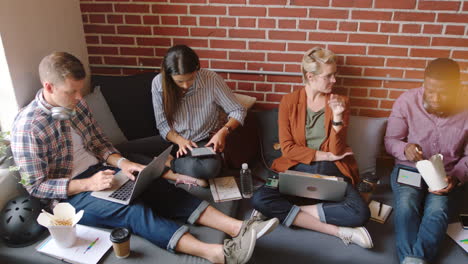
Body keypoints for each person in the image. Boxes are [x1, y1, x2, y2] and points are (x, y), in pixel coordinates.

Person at [11, 52, 278, 264]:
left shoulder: (77, 105)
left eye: (81, 90)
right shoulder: (28, 127)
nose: (80, 98)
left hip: (103, 172)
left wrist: (122, 163)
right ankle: (217, 254)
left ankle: (238, 227)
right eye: (72, 92)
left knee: (155, 186)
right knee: (135, 211)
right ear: (49, 86)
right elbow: (36, 187)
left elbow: (100, 144)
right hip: (72, 195)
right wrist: (87, 184)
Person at [251, 47, 373, 249]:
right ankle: (340, 232)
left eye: (335, 74)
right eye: (329, 76)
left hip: (331, 170)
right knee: (259, 198)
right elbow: (288, 149)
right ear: (310, 76)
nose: (334, 80)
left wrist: (337, 118)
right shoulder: (288, 102)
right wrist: (324, 156)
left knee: (360, 212)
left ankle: (286, 210)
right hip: (294, 166)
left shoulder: (341, 102)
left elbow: (336, 150)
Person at [385, 58, 467, 264]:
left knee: (438, 210)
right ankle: (415, 260)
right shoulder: (406, 101)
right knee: (406, 204)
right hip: (409, 169)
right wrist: (405, 148)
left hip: (446, 173)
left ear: (457, 88)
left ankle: (413, 260)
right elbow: (391, 140)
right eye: (430, 91)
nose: (435, 99)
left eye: (443, 92)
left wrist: (456, 177)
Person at [152, 45, 246, 187]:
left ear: (197, 69)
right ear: (168, 75)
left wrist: (224, 131)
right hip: (173, 140)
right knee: (129, 151)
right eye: (179, 81)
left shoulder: (211, 79)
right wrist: (179, 140)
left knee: (210, 168)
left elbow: (238, 110)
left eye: (190, 79)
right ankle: (186, 173)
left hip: (200, 142)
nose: (185, 85)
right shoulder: (158, 83)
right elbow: (162, 125)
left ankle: (170, 164)